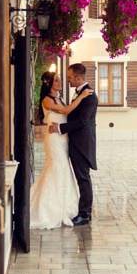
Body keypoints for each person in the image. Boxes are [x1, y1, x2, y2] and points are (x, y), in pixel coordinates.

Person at [30, 71, 93, 229]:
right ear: (49, 84)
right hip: (54, 139)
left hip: (63, 138)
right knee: (56, 168)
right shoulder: (47, 100)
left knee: (64, 169)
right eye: (57, 80)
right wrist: (81, 96)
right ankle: (48, 209)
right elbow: (66, 111)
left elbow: (70, 113)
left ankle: (65, 206)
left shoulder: (60, 98)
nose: (61, 82)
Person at [49, 63, 98, 226]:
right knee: (81, 177)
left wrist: (60, 128)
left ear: (78, 77)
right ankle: (84, 212)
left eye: (70, 77)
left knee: (83, 178)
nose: (68, 80)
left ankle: (85, 214)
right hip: (75, 142)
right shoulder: (80, 94)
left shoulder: (90, 96)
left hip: (82, 144)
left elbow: (82, 121)